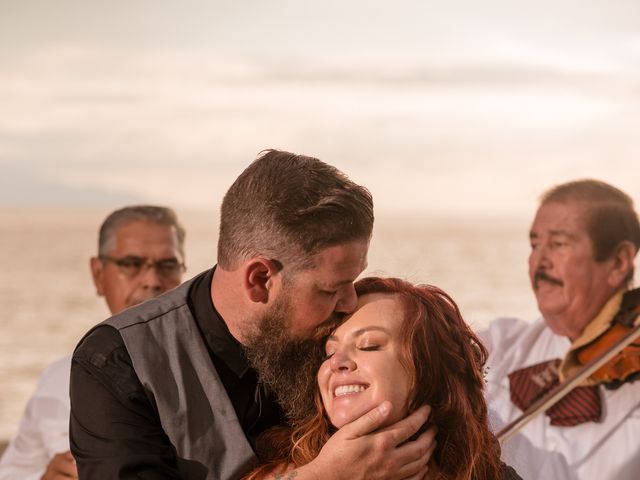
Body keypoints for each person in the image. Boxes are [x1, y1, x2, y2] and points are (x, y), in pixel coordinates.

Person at [69, 150, 435, 480]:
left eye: (352, 281)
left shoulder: (340, 337)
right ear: (260, 279)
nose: (349, 303)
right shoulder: (116, 362)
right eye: (329, 289)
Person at [245, 276, 521, 480]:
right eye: (328, 352)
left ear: (429, 369)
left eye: (369, 345)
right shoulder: (280, 470)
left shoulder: (490, 475)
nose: (337, 363)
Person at [0, 205, 187, 480]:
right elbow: (14, 471)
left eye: (167, 265)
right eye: (132, 264)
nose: (152, 280)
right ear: (98, 274)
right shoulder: (57, 378)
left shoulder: (212, 371)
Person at [481, 179, 640, 479]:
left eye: (558, 244)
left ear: (619, 262)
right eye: (534, 244)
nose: (538, 261)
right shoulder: (506, 343)